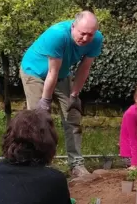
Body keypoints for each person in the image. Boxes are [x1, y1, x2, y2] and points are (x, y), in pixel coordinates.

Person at [20, 11, 103, 177]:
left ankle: (76, 164)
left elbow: (84, 68)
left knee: (73, 115)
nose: (86, 38)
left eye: (90, 34)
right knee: (39, 120)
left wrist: (74, 95)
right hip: (35, 72)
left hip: (62, 75)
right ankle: (37, 165)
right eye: (82, 33)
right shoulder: (57, 35)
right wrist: (45, 101)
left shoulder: (96, 39)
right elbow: (52, 71)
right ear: (73, 26)